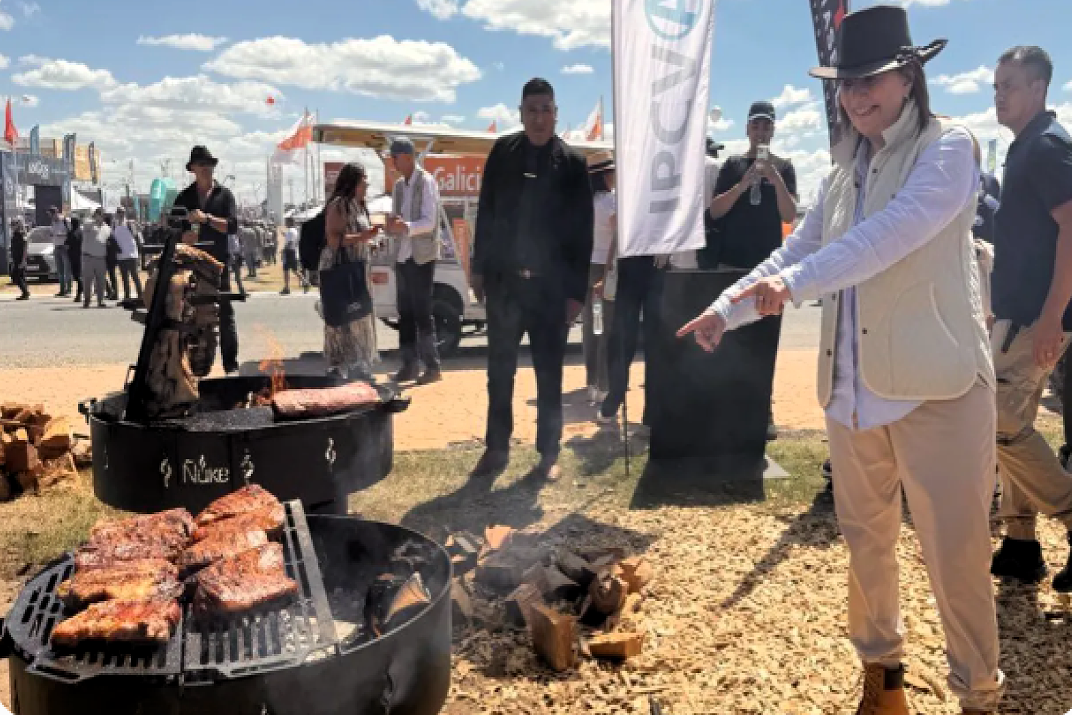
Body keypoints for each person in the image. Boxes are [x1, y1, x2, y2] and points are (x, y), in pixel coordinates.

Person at [679, 7, 1002, 713]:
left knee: (957, 559)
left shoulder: (950, 148)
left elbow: (890, 236)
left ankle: (978, 695)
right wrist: (729, 306)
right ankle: (883, 681)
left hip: (938, 388)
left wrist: (790, 285)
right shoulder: (841, 170)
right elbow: (792, 250)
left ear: (909, 74)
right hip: (853, 391)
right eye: (846, 83)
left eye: (871, 80)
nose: (857, 96)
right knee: (866, 544)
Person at [470, 77, 593, 482]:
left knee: (548, 373)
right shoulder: (502, 153)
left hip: (550, 289)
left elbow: (583, 233)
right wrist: (478, 267)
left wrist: (576, 293)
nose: (539, 118)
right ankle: (496, 448)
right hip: (505, 285)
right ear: (520, 114)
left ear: (556, 114)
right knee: (498, 371)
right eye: (531, 110)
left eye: (546, 110)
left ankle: (548, 454)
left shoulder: (573, 165)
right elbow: (485, 211)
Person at [986, 45, 1072, 593]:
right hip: (1018, 313)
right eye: (996, 85)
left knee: (996, 417)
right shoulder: (1025, 148)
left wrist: (1051, 317)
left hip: (1038, 318)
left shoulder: (1045, 147)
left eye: (1010, 85)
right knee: (1014, 420)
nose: (999, 95)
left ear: (1039, 88)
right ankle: (1020, 544)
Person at [707, 99, 799, 441]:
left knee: (764, 342)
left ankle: (763, 410)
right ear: (747, 128)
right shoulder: (732, 165)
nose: (761, 132)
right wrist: (743, 185)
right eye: (756, 125)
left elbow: (790, 216)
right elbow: (715, 212)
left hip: (769, 271)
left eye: (767, 126)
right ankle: (728, 408)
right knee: (729, 339)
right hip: (732, 265)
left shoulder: (785, 168)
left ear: (773, 130)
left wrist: (775, 179)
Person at [173, 145, 241, 373]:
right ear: (193, 168)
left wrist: (207, 219)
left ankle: (230, 364)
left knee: (225, 313)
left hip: (218, 263)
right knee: (191, 314)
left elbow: (232, 226)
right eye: (202, 165)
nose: (207, 169)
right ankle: (195, 366)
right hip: (191, 265)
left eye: (210, 165)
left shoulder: (225, 195)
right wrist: (183, 236)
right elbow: (172, 232)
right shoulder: (184, 197)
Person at [386, 137, 443, 385]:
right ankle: (409, 365)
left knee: (422, 313)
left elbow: (430, 222)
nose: (392, 162)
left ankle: (432, 366)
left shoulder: (426, 181)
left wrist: (405, 226)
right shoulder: (399, 186)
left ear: (408, 157)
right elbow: (398, 222)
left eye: (395, 157)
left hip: (421, 256)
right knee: (405, 314)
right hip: (402, 255)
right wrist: (391, 226)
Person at [321, 162, 380, 379]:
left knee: (360, 315)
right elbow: (334, 240)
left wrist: (371, 243)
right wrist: (364, 237)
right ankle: (339, 367)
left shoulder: (361, 206)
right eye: (364, 180)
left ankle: (360, 365)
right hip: (340, 269)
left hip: (358, 268)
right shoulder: (339, 205)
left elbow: (360, 235)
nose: (367, 184)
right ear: (353, 182)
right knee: (341, 319)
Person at [585, 151, 616, 405]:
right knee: (606, 329)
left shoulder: (585, 202)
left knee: (591, 328)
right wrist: (608, 273)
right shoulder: (610, 203)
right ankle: (604, 385)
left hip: (588, 267)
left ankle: (592, 383)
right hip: (606, 268)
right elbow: (618, 238)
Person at [81, 208, 110, 309]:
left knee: (101, 281)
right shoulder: (89, 224)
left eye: (103, 215)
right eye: (100, 214)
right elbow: (85, 225)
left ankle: (100, 300)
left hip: (101, 258)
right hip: (88, 257)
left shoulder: (106, 227)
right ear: (96, 215)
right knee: (87, 280)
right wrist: (95, 220)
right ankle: (87, 300)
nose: (101, 217)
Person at [113, 207, 143, 304]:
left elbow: (139, 233)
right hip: (121, 256)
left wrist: (136, 225)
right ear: (117, 214)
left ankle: (141, 296)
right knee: (124, 278)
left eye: (122, 212)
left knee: (135, 276)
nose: (120, 214)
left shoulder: (130, 223)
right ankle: (127, 297)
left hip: (132, 254)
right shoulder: (114, 225)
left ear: (125, 213)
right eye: (119, 212)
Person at [49, 207, 72, 297]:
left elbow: (71, 233)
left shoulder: (65, 221)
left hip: (64, 247)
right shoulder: (53, 222)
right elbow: (52, 232)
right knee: (60, 271)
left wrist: (61, 234)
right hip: (56, 247)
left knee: (67, 270)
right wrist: (52, 234)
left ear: (56, 213)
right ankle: (62, 290)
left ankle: (68, 290)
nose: (51, 217)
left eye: (52, 214)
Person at [281, 217, 306, 295]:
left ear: (289, 222)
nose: (285, 224)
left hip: (289, 252)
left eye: (286, 222)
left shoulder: (290, 231)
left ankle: (287, 288)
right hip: (293, 251)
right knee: (294, 270)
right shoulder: (294, 231)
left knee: (286, 270)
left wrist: (284, 250)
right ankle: (305, 282)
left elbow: (290, 242)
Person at [9, 218, 30, 300]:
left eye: (14, 224)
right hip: (16, 258)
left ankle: (25, 292)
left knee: (16, 275)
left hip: (21, 258)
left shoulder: (21, 234)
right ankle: (25, 292)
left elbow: (25, 248)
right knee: (20, 276)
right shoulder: (15, 234)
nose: (12, 226)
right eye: (12, 225)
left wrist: (23, 260)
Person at [67, 217, 83, 304]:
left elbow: (67, 243)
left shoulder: (72, 233)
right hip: (80, 256)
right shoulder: (81, 232)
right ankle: (80, 292)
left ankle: (79, 293)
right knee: (78, 276)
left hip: (75, 257)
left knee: (77, 276)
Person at [228, 230, 245, 295]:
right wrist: (232, 256)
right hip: (230, 256)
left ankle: (242, 291)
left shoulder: (235, 235)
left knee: (238, 275)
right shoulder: (229, 236)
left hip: (237, 256)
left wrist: (241, 255)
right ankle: (229, 291)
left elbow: (238, 246)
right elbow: (229, 247)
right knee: (228, 275)